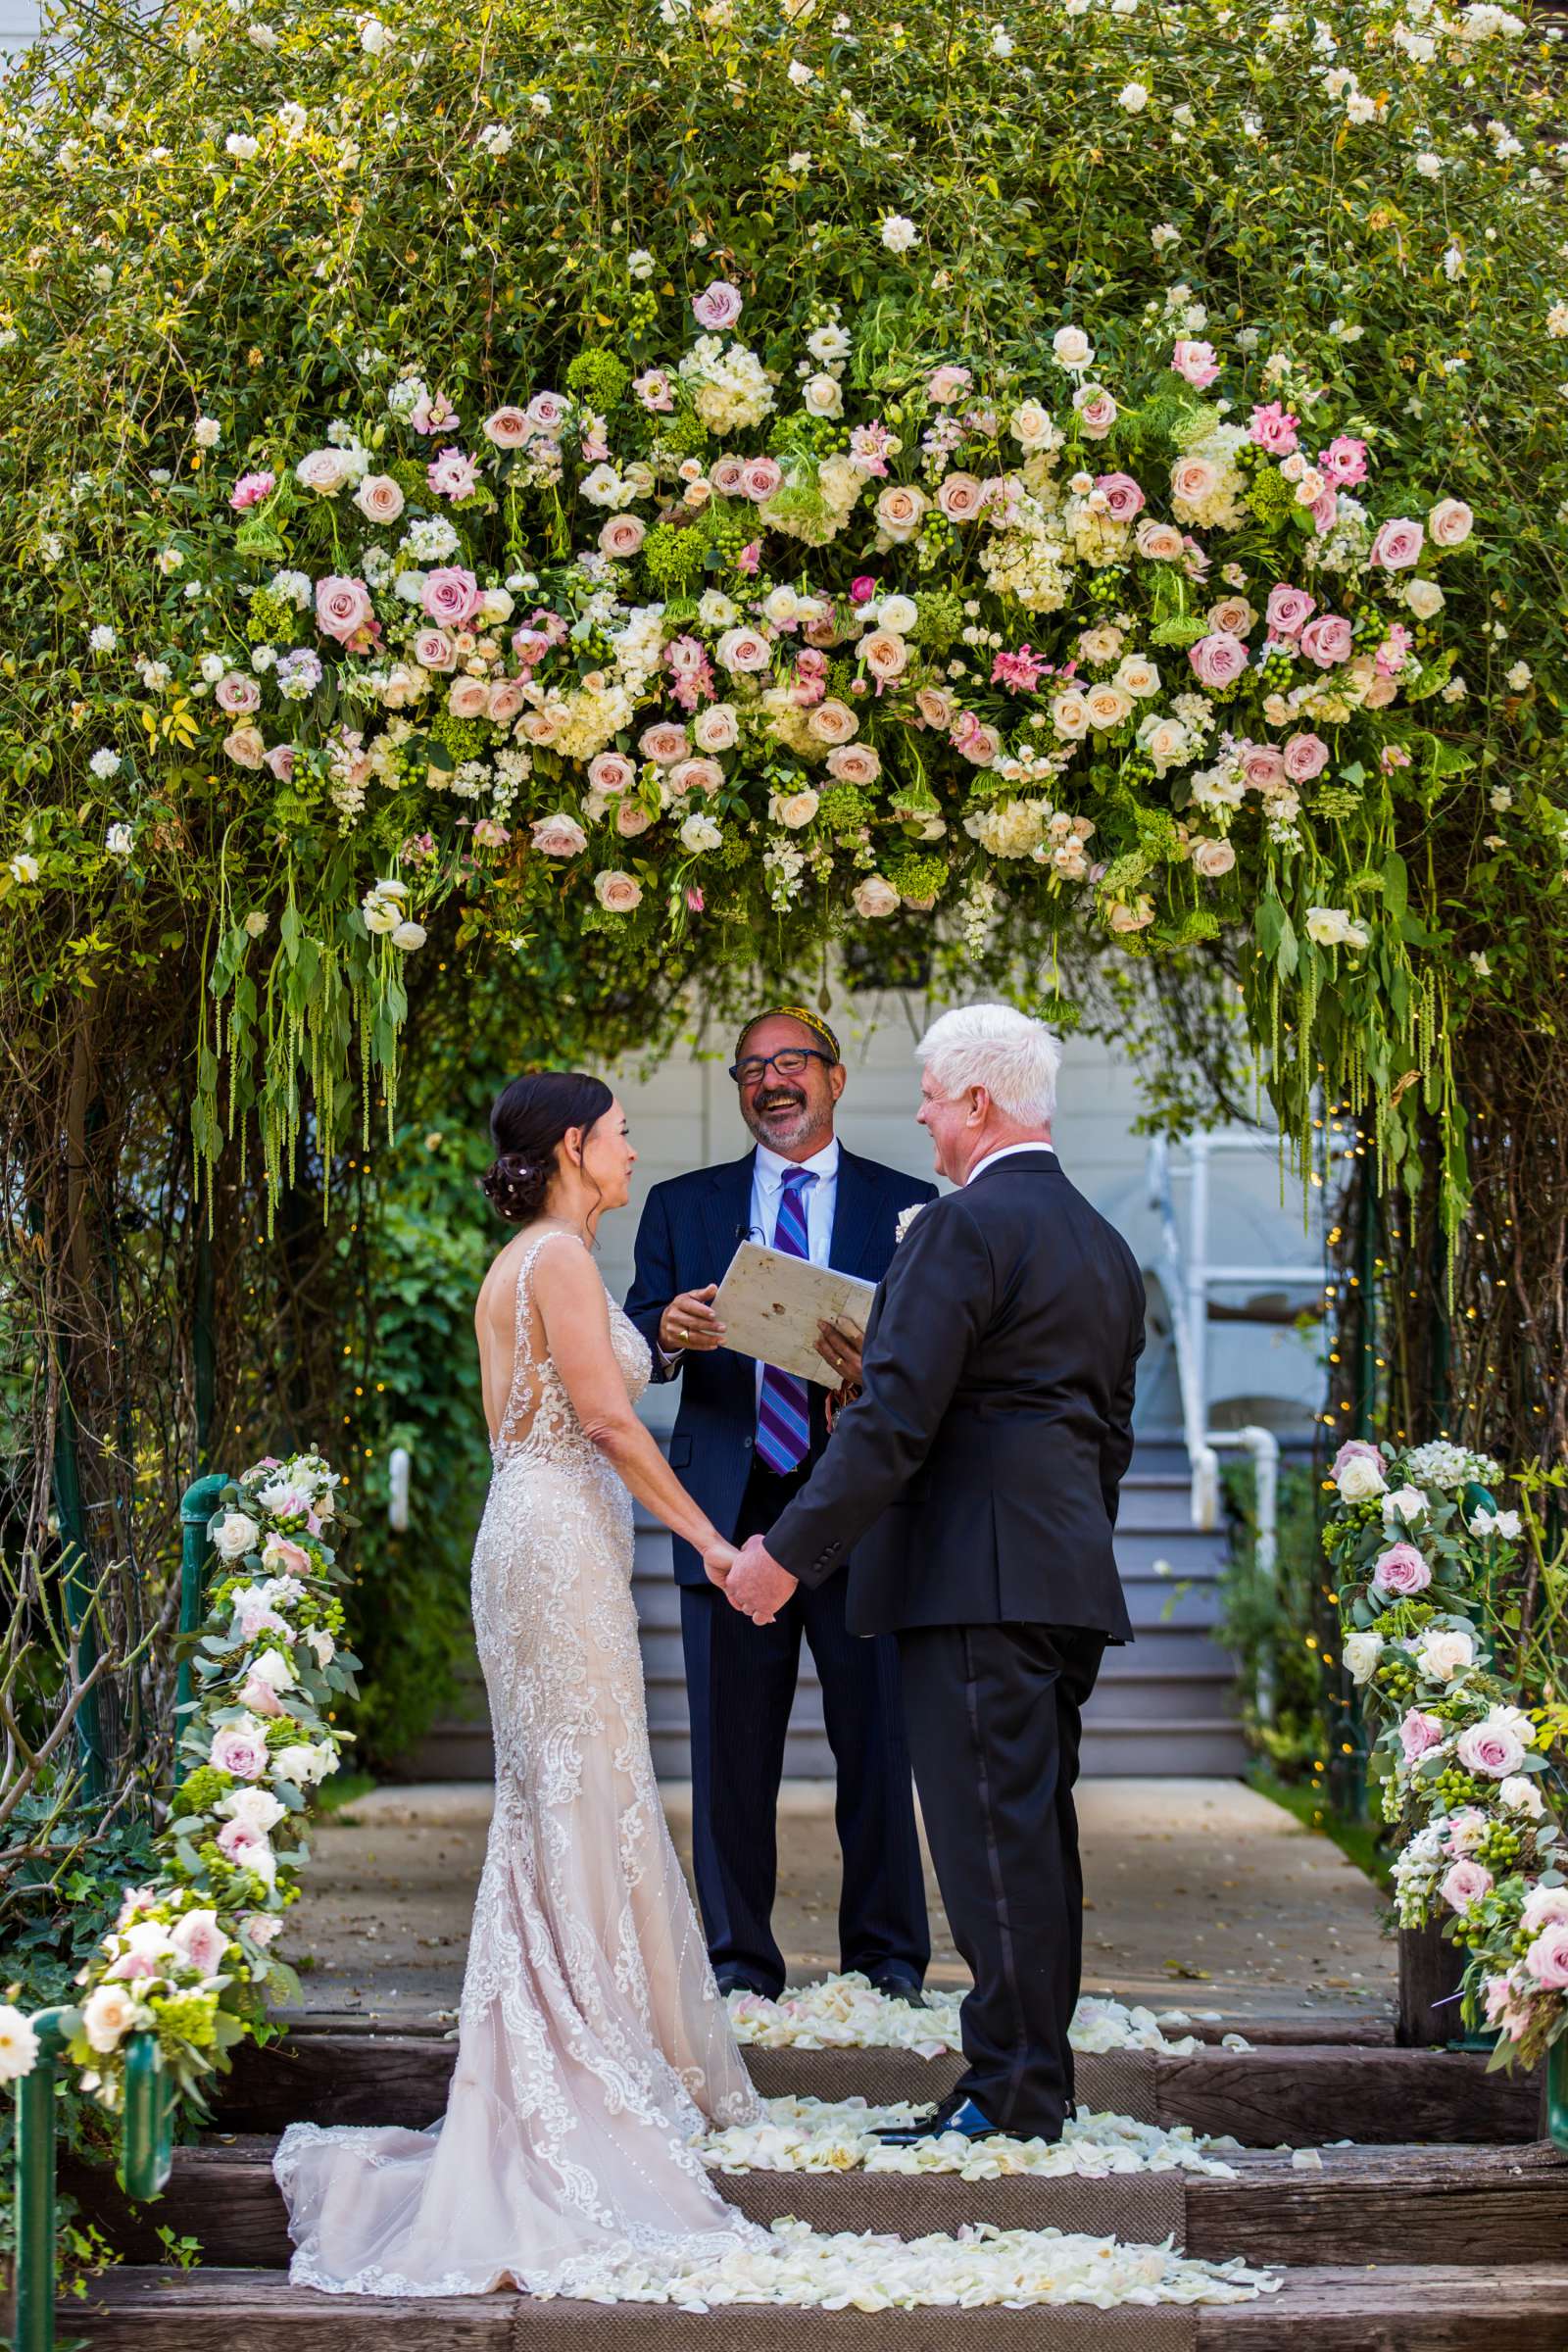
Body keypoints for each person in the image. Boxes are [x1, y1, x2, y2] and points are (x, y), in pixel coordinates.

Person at [274, 1072, 766, 2295]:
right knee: (581, 1790)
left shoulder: (543, 1260)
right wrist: (711, 1540)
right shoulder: (551, 1258)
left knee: (572, 1795)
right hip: (555, 1543)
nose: (633, 1146)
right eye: (618, 1133)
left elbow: (569, 1390)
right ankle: (585, 2060)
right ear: (571, 1146)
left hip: (542, 1534)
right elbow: (599, 1423)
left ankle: (584, 2037)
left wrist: (668, 1337)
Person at [721, 1004, 1146, 2147]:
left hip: (970, 1581)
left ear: (975, 1103)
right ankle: (1025, 2079)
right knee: (1031, 1840)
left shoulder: (960, 1229)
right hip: (1058, 1578)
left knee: (984, 1847)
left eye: (926, 1094)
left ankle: (1011, 2096)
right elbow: (1106, 1434)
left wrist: (782, 1556)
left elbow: (896, 1426)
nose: (916, 1114)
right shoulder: (1101, 1242)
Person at [624, 1005, 934, 2002]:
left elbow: (937, 1359)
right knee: (728, 1753)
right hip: (727, 1508)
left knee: (879, 1742)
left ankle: (886, 1961)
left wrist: (872, 1378)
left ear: (835, 1079)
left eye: (792, 1061)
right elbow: (633, 1344)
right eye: (751, 1068)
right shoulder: (682, 1204)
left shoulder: (911, 1205)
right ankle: (735, 1965)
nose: (772, 1081)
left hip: (859, 1510)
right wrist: (666, 1333)